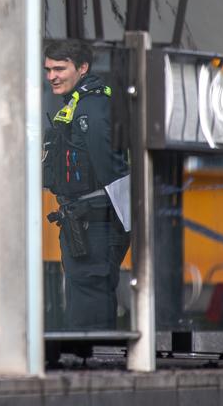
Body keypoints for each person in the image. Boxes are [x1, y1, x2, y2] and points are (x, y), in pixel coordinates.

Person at [43, 40, 130, 331]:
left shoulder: (90, 109)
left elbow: (113, 171)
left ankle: (91, 369)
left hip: (94, 223)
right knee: (86, 296)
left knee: (89, 305)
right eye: (48, 69)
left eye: (59, 68)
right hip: (88, 222)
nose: (52, 76)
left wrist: (121, 224)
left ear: (82, 68)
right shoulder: (85, 103)